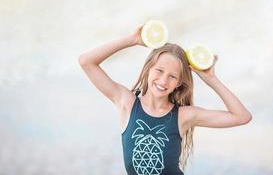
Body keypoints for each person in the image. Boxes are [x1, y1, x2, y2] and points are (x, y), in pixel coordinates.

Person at [78, 25, 252, 175]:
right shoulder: (127, 103)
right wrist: (132, 40)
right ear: (148, 69)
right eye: (159, 71)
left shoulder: (183, 116)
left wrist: (211, 80)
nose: (163, 81)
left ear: (178, 83)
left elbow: (242, 116)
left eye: (172, 76)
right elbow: (86, 61)